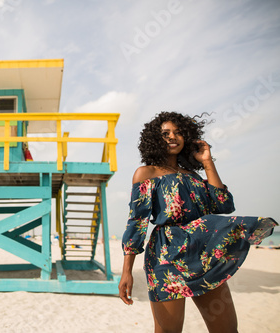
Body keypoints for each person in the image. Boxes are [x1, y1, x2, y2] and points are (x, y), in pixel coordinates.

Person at [119, 111, 277, 333]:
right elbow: (137, 223)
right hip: (166, 259)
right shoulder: (146, 173)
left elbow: (223, 204)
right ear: (155, 139)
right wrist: (127, 271)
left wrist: (207, 161)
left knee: (227, 329)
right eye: (166, 133)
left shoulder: (193, 176)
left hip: (204, 255)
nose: (173, 137)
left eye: (178, 132)